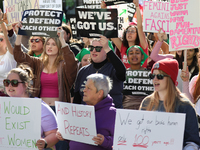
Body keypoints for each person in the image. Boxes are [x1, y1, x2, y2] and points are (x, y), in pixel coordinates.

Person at [139, 58, 200, 150]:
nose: (155, 79)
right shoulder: (146, 102)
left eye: (160, 76)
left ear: (170, 78)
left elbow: (192, 142)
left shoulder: (185, 106)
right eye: (152, 76)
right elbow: (138, 133)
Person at [3, 65, 59, 150]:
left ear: (25, 85)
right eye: (6, 82)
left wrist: (44, 142)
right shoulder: (2, 106)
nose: (9, 86)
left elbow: (53, 133)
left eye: (14, 82)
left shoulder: (40, 107)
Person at [57, 73, 116, 150]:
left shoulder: (113, 114)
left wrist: (104, 141)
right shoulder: (80, 111)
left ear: (100, 93)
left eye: (89, 88)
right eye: (85, 87)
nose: (84, 90)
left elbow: (123, 141)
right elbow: (75, 138)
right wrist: (64, 135)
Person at [73, 35, 126, 108]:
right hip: (87, 114)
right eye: (91, 48)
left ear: (106, 51)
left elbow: (122, 73)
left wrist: (107, 48)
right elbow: (77, 98)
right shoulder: (83, 71)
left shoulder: (113, 69)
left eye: (98, 48)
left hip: (110, 114)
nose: (94, 51)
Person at [102, 0, 148, 69]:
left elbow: (140, 27)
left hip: (140, 77)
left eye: (132, 31)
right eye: (127, 31)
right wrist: (104, 10)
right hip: (126, 78)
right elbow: (110, 30)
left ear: (138, 35)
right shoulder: (123, 47)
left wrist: (137, 7)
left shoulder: (142, 46)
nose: (129, 33)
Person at [123, 45, 148, 109]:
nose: (134, 55)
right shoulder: (123, 74)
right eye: (131, 53)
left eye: (137, 53)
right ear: (127, 57)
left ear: (142, 56)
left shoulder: (149, 74)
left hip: (145, 109)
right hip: (126, 108)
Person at [0, 11, 17, 96]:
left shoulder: (10, 55)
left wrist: (2, 22)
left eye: (0, 39)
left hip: (9, 93)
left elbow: (8, 38)